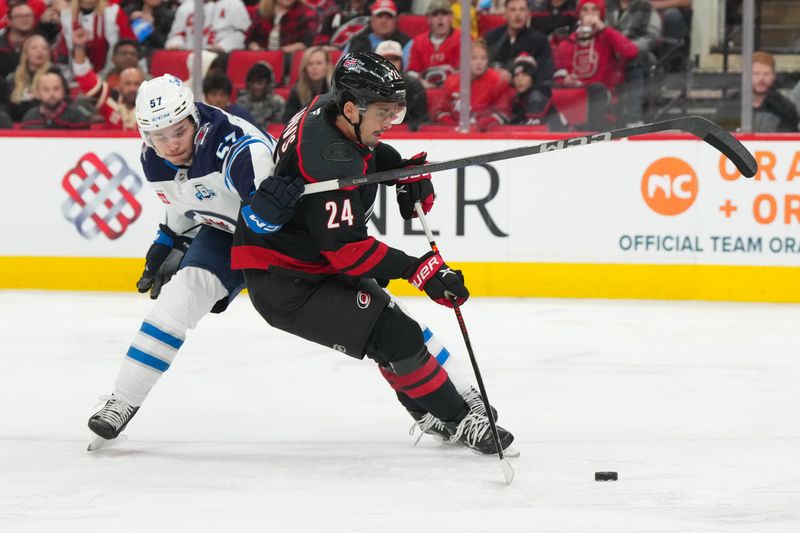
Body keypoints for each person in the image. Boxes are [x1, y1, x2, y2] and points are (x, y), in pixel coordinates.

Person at [231, 51, 515, 455]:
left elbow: (367, 156)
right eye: (384, 112)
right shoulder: (327, 159)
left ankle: (431, 414)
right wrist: (419, 269)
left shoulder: (327, 111)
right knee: (397, 335)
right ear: (351, 107)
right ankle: (458, 421)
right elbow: (348, 252)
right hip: (287, 283)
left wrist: (399, 171)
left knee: (392, 334)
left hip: (307, 262)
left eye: (395, 112)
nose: (389, 123)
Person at [86, 74, 296, 446]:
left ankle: (426, 402)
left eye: (177, 131)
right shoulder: (152, 156)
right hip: (228, 233)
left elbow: (270, 217)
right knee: (173, 306)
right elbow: (186, 203)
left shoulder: (238, 148)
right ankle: (122, 400)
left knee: (354, 317)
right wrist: (168, 239)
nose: (171, 145)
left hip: (291, 238)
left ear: (194, 120)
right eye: (159, 136)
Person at [554, 0, 638, 130]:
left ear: (601, 14)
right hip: (575, 95)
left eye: (594, 10)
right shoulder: (567, 43)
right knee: (550, 89)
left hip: (602, 95)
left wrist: (603, 28)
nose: (590, 14)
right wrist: (565, 80)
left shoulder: (608, 37)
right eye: (585, 10)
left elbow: (631, 52)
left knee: (596, 89)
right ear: (579, 14)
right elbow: (558, 73)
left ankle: (590, 135)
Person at [72, 26, 144, 130]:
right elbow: (84, 76)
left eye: (137, 84)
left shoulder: (152, 105)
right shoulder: (109, 100)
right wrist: (79, 46)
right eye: (128, 84)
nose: (133, 88)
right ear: (119, 86)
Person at [433, 38, 512, 130]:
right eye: (474, 58)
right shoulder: (452, 81)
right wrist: (452, 125)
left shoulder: (496, 80)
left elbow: (504, 112)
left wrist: (480, 125)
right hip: (456, 132)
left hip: (485, 134)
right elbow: (439, 111)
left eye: (483, 58)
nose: (479, 63)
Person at [484, 0, 555, 93]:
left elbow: (546, 72)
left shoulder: (540, 40)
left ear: (528, 14)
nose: (518, 14)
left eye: (522, 10)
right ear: (505, 14)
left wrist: (530, 79)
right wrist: (494, 73)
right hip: (493, 92)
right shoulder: (491, 38)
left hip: (526, 94)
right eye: (513, 10)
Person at [56, 0, 136, 73]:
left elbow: (131, 44)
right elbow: (63, 52)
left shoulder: (113, 12)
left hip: (111, 73)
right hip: (75, 75)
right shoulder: (66, 16)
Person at [405, 0, 460, 89]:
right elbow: (413, 73)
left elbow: (465, 75)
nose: (440, 18)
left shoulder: (461, 39)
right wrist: (421, 84)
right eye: (435, 14)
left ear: (451, 17)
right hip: (424, 91)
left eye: (444, 14)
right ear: (428, 19)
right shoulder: (418, 42)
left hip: (453, 91)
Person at [376, 39, 427, 130]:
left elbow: (420, 121)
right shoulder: (365, 85)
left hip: (404, 135)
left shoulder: (414, 85)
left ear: (401, 62)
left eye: (395, 59)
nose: (390, 63)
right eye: (385, 59)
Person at [165, 0, 249, 53]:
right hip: (190, 54)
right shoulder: (186, 7)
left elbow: (242, 33)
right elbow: (177, 35)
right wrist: (176, 43)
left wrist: (224, 45)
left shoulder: (234, 3)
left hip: (222, 56)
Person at [20, 67, 91, 128]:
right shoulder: (30, 117)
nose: (51, 94)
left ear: (63, 91)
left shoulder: (77, 117)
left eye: (56, 89)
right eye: (46, 90)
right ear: (38, 93)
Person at [5, 33, 51, 121]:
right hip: (16, 126)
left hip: (43, 124)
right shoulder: (12, 77)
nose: (40, 51)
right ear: (26, 53)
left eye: (44, 48)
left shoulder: (54, 75)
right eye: (34, 48)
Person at [748, 51, 798, 133]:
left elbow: (786, 140)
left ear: (773, 76)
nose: (761, 79)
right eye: (756, 73)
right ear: (746, 75)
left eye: (766, 74)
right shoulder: (732, 102)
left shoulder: (785, 107)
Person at [245, 0, 319, 54]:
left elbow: (307, 43)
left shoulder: (307, 13)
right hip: (262, 56)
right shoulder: (262, 11)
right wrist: (255, 47)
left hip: (290, 57)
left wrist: (278, 52)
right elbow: (250, 39)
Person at [281, 45, 332, 121]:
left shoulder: (336, 90)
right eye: (310, 64)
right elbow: (288, 120)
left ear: (327, 66)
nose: (314, 67)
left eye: (319, 63)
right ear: (305, 68)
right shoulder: (296, 91)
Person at [343, 0, 409, 55]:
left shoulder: (406, 44)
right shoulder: (356, 41)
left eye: (389, 16)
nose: (384, 21)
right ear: (371, 19)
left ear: (396, 20)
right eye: (379, 16)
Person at [236, 61, 286, 130]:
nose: (256, 87)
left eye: (260, 83)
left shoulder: (278, 102)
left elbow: (278, 128)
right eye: (253, 82)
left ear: (269, 84)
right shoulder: (241, 102)